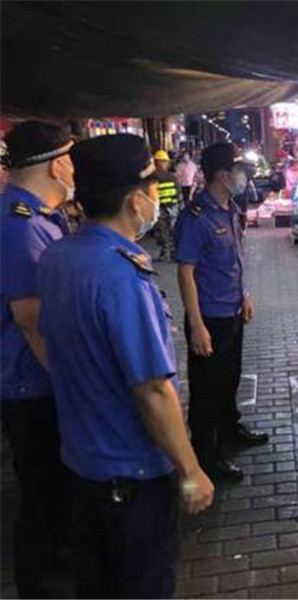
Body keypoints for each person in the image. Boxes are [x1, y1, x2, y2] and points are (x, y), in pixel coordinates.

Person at [37, 134, 214, 599]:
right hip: (131, 476)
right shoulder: (122, 276)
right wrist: (191, 470)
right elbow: (152, 390)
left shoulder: (58, 256)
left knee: (97, 586)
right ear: (136, 200)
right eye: (152, 188)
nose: (155, 197)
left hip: (82, 463)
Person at [0, 120, 74, 598]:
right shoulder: (19, 226)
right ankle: (37, 583)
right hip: (31, 383)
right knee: (42, 490)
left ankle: (57, 560)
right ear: (55, 166)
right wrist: (72, 385)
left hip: (41, 379)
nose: (74, 172)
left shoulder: (41, 217)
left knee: (54, 486)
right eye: (70, 161)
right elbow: (31, 320)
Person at [174, 143, 268, 484]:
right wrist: (196, 324)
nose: (245, 177)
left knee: (230, 378)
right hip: (209, 318)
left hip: (233, 311)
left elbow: (235, 259)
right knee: (207, 390)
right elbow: (185, 272)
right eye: (240, 171)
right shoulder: (196, 216)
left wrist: (245, 295)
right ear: (223, 175)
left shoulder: (230, 209)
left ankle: (229, 429)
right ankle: (206, 455)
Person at [152, 149, 181, 261]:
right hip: (166, 207)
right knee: (166, 231)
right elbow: (178, 192)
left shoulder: (153, 177)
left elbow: (178, 192)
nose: (162, 164)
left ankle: (168, 253)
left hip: (166, 208)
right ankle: (170, 253)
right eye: (161, 161)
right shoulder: (172, 177)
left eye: (164, 162)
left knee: (165, 231)